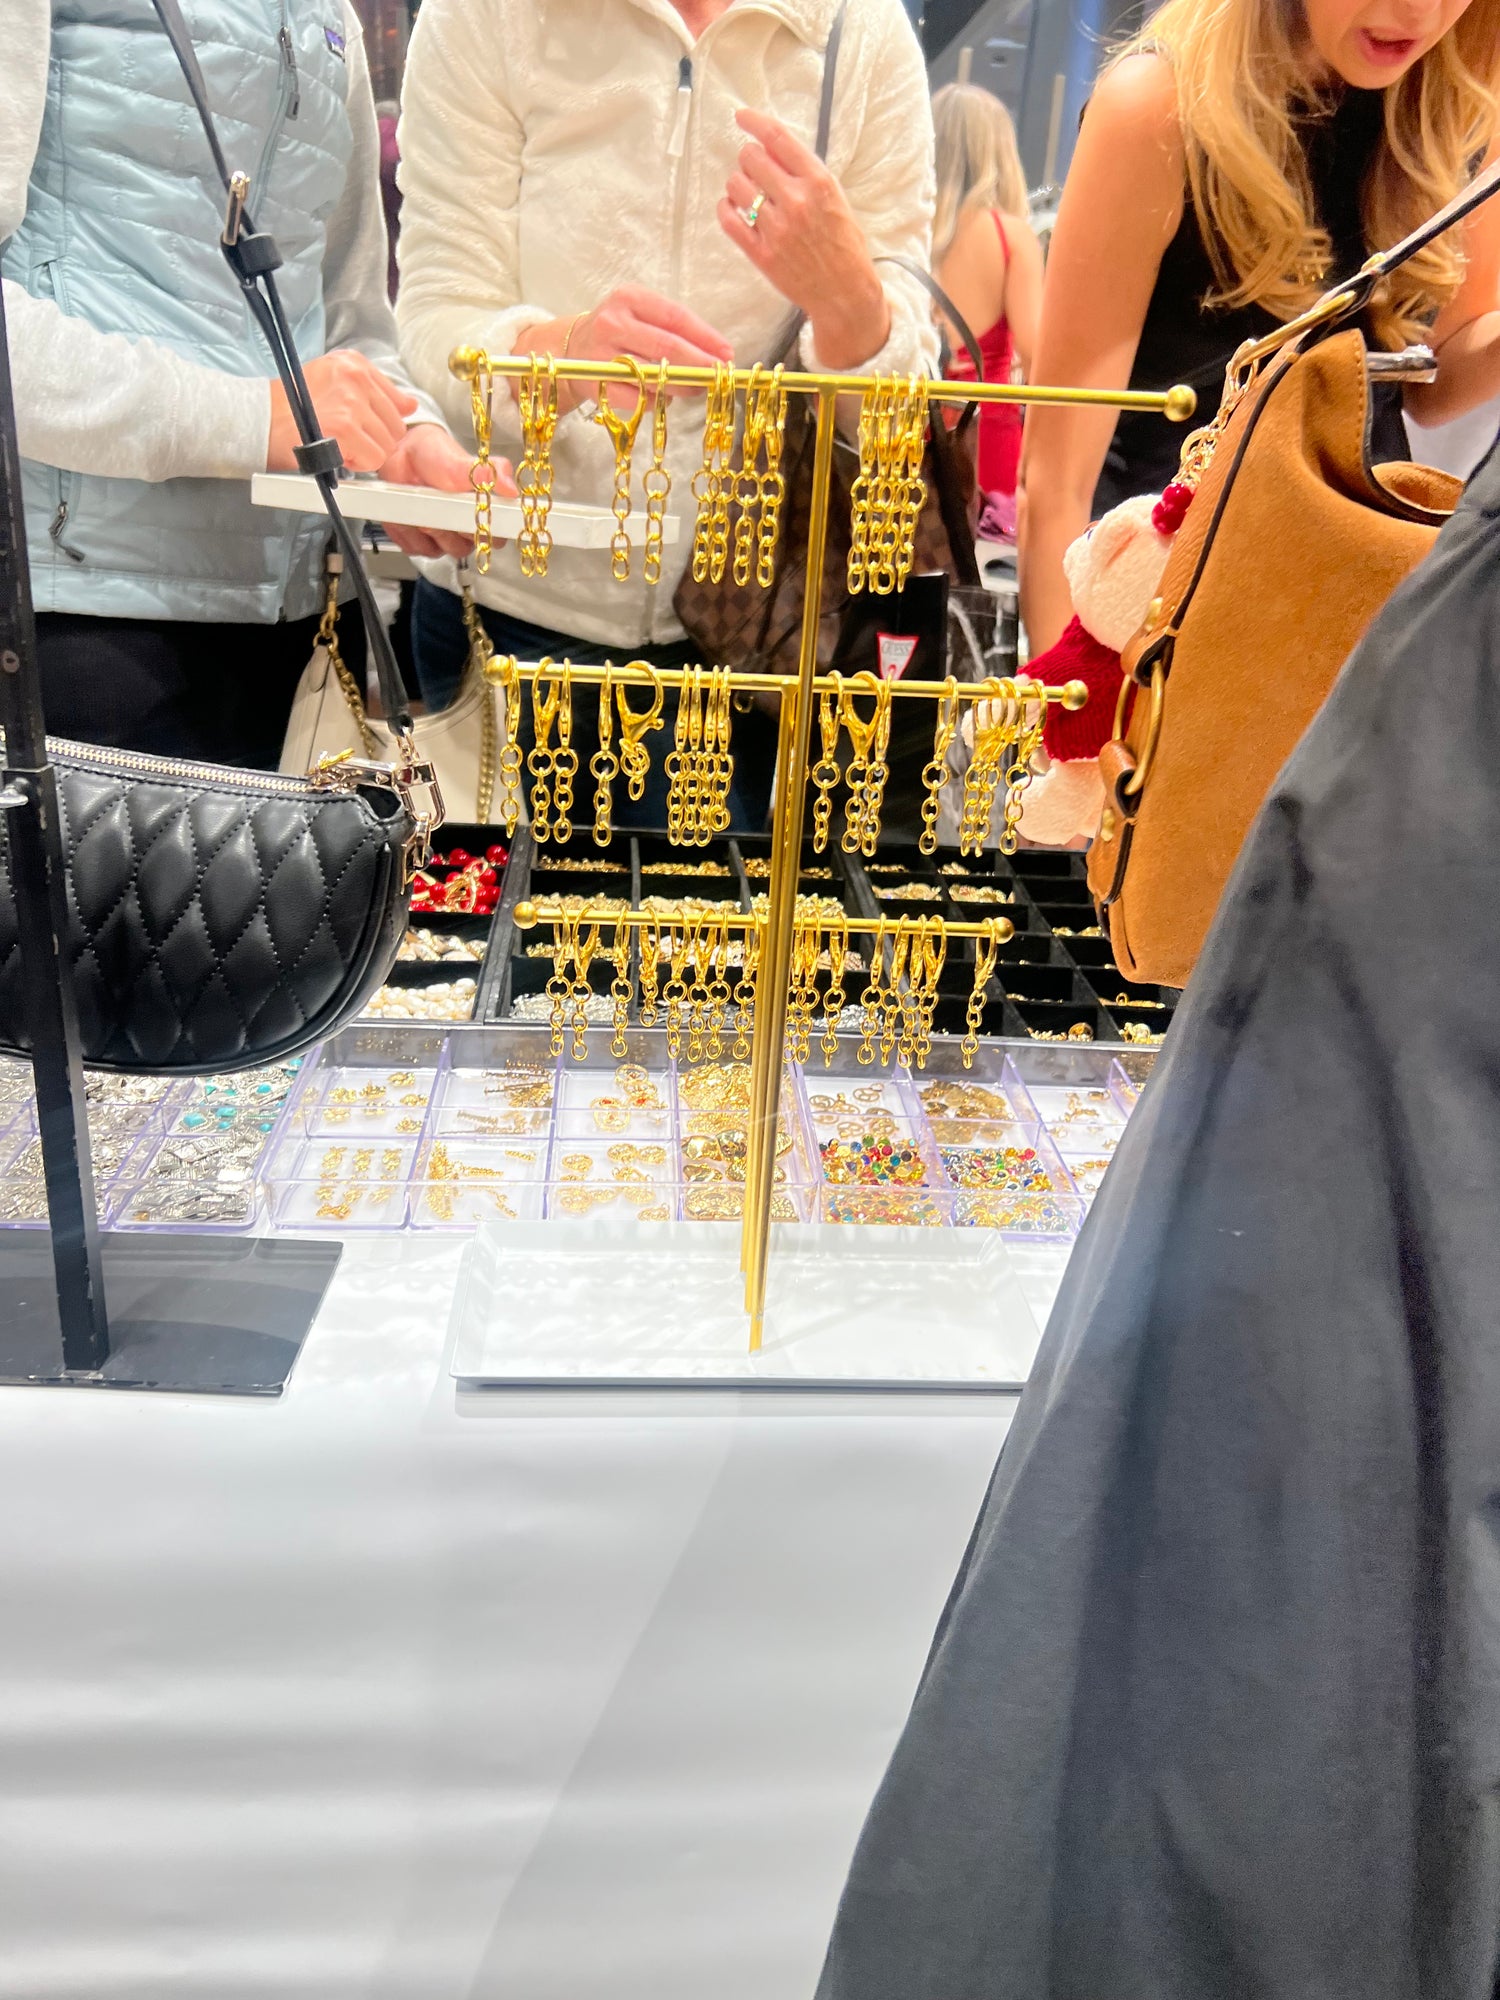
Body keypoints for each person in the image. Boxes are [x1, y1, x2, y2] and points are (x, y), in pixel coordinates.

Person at [393, 0, 939, 825]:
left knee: (713, 912)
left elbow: (896, 419)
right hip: (502, 612)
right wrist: (559, 355)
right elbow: (436, 307)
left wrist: (850, 300)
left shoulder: (856, 30)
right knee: (479, 909)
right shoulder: (491, 14)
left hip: (746, 632)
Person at [3, 0, 483, 769]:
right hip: (82, 612)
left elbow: (349, 319)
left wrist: (405, 440)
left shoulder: (331, 17)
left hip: (302, 625)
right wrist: (250, 419)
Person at [1017, 0, 1500, 655]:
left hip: (1351, 623)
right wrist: (1070, 698)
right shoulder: (1157, 109)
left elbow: (1432, 379)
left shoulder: (1458, 115)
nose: (1418, 10)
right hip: (1158, 626)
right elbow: (1055, 486)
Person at [930, 84, 1044, 537]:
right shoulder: (1010, 236)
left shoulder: (904, 228)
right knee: (984, 567)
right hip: (986, 441)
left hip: (909, 430)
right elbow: (1037, 356)